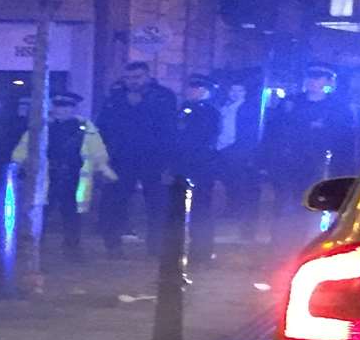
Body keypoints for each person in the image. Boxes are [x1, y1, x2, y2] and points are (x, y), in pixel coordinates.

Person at [13, 92, 115, 261]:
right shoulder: (43, 126)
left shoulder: (84, 127)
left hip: (74, 176)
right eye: (58, 106)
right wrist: (16, 163)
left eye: (66, 107)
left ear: (73, 108)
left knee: (72, 215)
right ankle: (36, 249)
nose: (61, 110)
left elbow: (97, 150)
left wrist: (105, 170)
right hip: (48, 176)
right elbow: (25, 146)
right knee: (42, 214)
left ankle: (72, 249)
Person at [262, 65, 357, 241]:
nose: (312, 81)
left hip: (319, 164)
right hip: (288, 161)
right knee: (283, 206)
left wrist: (342, 170)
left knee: (312, 206)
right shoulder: (290, 103)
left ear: (329, 81)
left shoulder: (338, 108)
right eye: (310, 77)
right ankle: (279, 247)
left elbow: (344, 140)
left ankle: (307, 243)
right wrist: (267, 161)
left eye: (318, 77)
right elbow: (274, 133)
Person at [96, 60, 178, 255]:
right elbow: (104, 127)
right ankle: (113, 245)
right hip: (121, 158)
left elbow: (168, 128)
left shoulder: (163, 97)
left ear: (148, 76)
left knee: (157, 204)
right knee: (116, 202)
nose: (133, 82)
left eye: (137, 77)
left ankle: (156, 246)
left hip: (153, 158)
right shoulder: (115, 97)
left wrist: (169, 162)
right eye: (129, 78)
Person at [172, 76, 224, 262]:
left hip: (201, 165)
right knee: (179, 208)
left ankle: (201, 250)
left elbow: (204, 138)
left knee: (201, 209)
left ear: (203, 90)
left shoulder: (209, 111)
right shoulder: (184, 108)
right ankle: (181, 248)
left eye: (194, 88)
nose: (190, 91)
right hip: (183, 164)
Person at [216, 82, 261, 226]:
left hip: (237, 149)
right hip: (223, 148)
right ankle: (233, 209)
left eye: (239, 90)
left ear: (245, 92)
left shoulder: (247, 109)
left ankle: (237, 210)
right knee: (229, 181)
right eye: (232, 90)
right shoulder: (225, 107)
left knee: (237, 181)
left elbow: (248, 132)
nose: (235, 93)